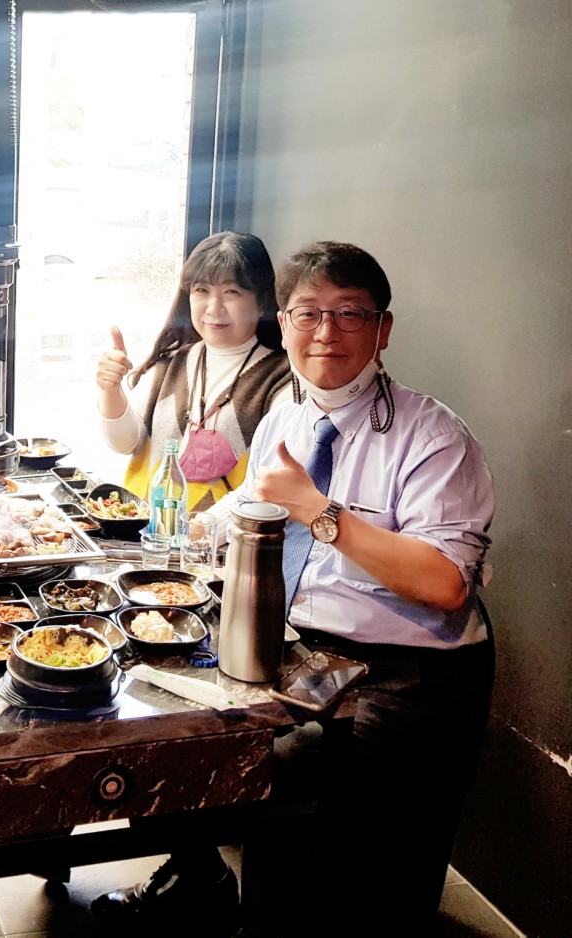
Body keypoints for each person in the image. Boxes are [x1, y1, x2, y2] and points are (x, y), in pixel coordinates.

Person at [91, 242, 495, 935]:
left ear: (382, 329)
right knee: (150, 723)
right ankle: (204, 880)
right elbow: (252, 502)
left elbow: (445, 583)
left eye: (349, 313)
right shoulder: (289, 417)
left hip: (409, 674)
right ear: (285, 322)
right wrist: (174, 541)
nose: (326, 331)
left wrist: (319, 510)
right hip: (302, 649)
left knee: (293, 790)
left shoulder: (433, 436)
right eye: (309, 313)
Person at [96, 231, 292, 510]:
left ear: (261, 302)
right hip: (149, 531)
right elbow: (124, 443)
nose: (214, 308)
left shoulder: (282, 380)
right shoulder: (169, 364)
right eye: (201, 291)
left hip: (227, 536)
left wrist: (205, 528)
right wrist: (110, 390)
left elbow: (272, 480)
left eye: (232, 292)